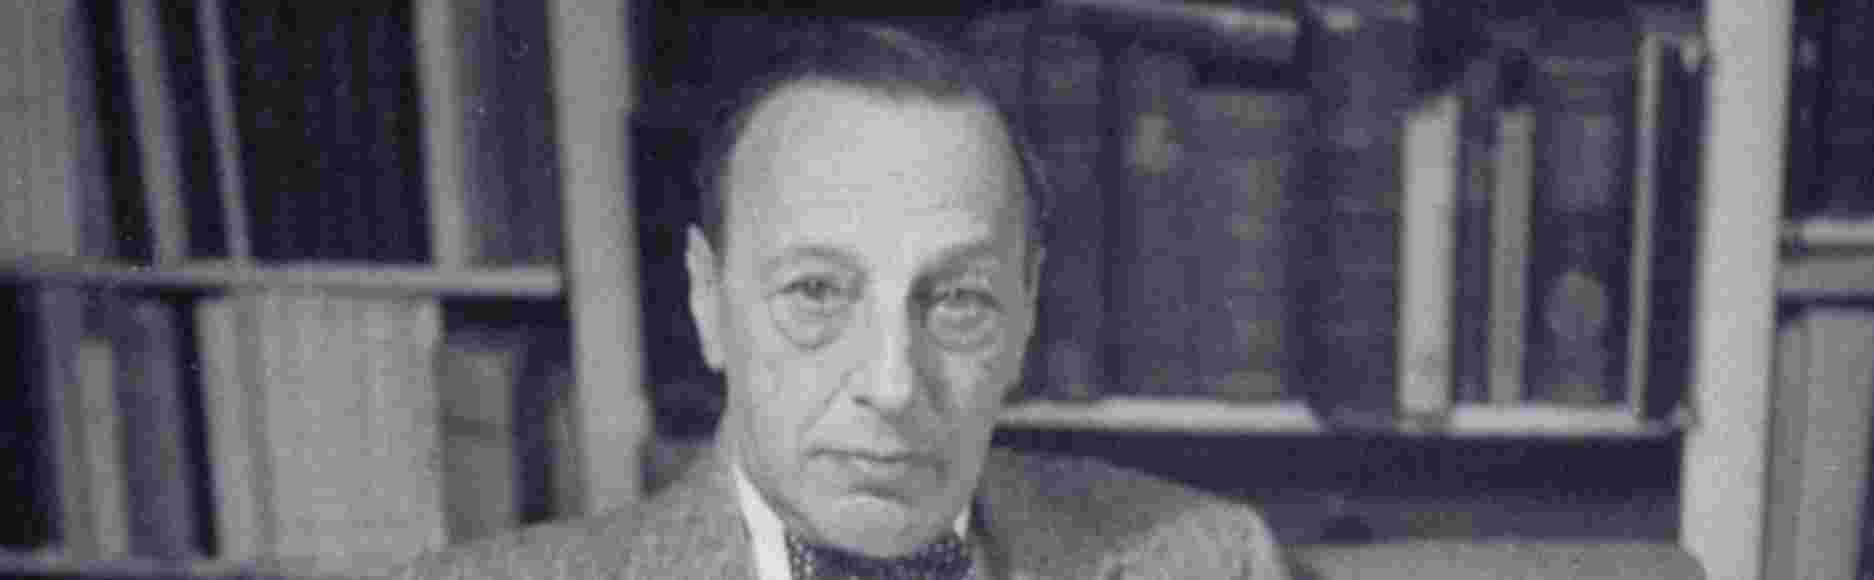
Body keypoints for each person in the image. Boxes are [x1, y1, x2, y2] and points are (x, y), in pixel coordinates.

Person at [392, 21, 1286, 580]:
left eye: (960, 300)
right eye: (816, 291)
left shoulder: (1210, 560)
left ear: (1028, 315)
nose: (893, 386)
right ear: (710, 304)